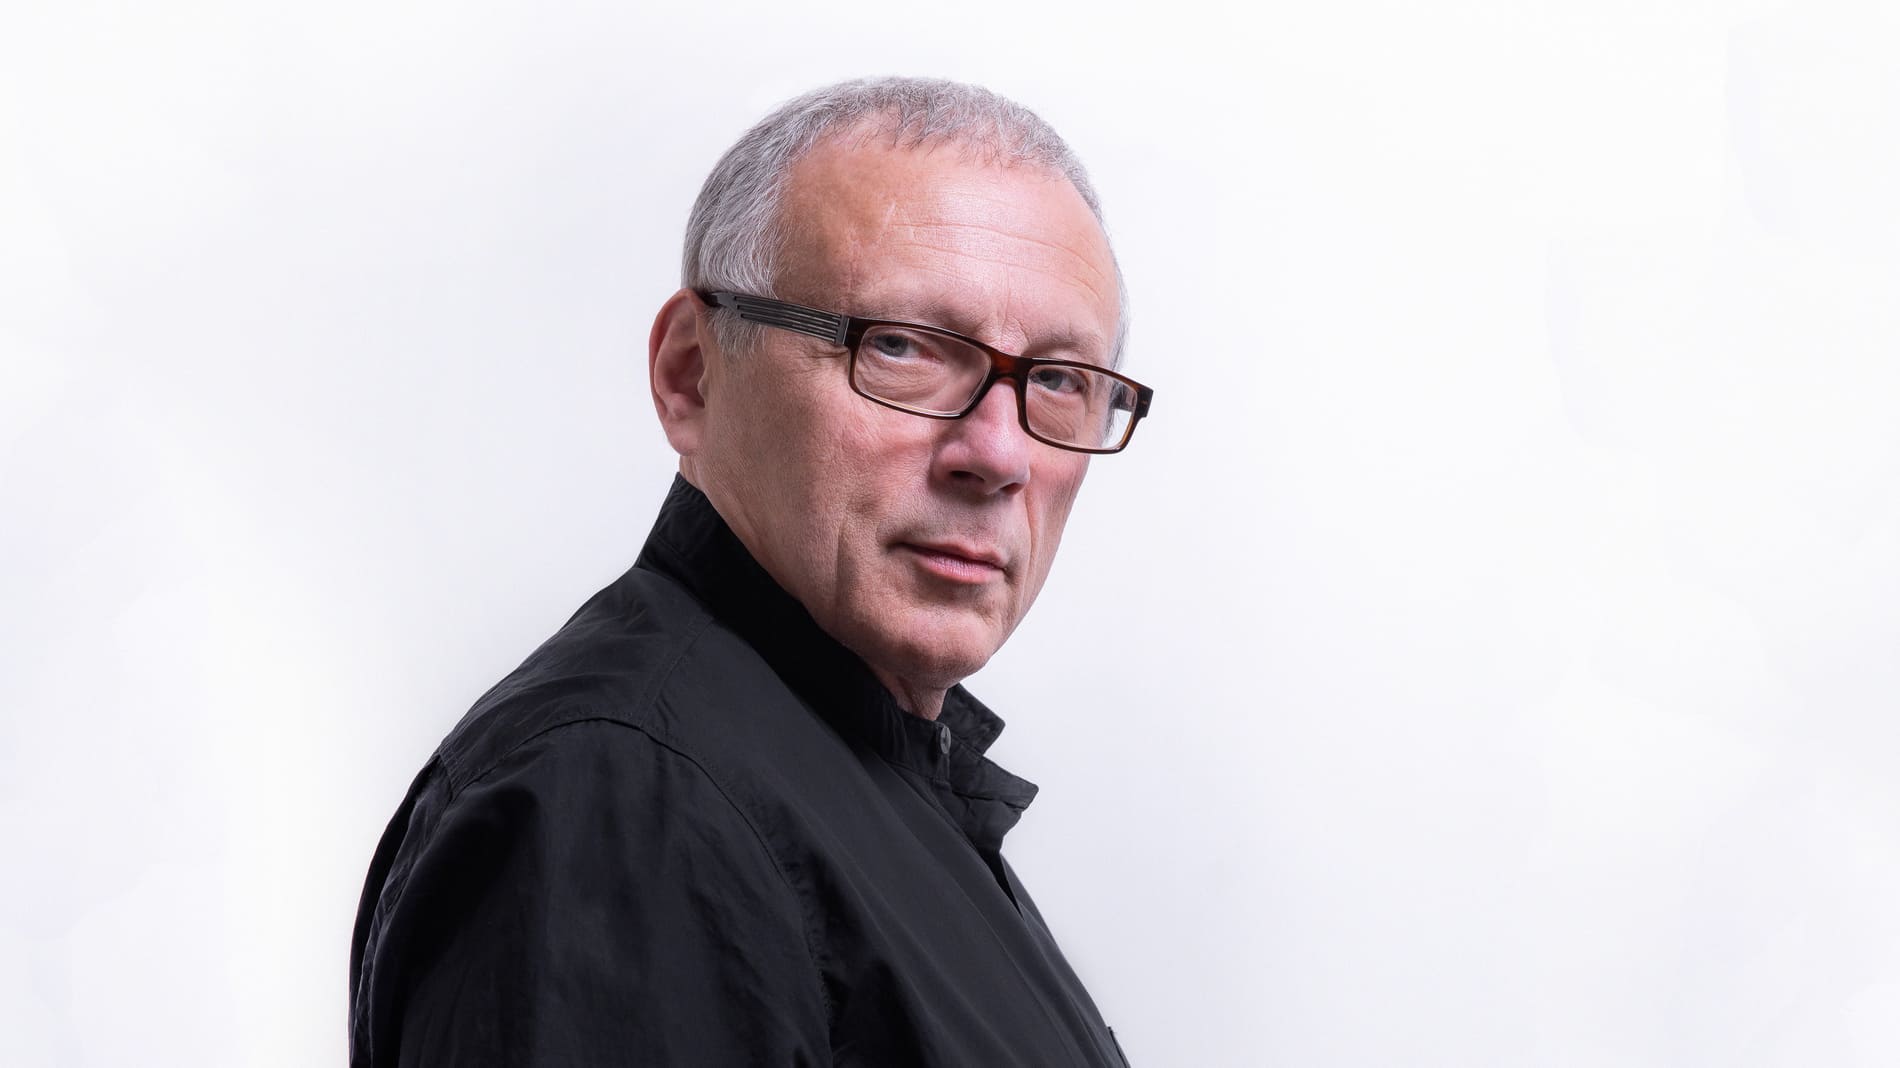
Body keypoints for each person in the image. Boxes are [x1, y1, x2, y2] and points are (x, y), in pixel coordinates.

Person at [348, 76, 1154, 1066]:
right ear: (692, 373)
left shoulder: (854, 782)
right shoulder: (624, 801)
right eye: (901, 347)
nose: (997, 455)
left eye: (1060, 379)